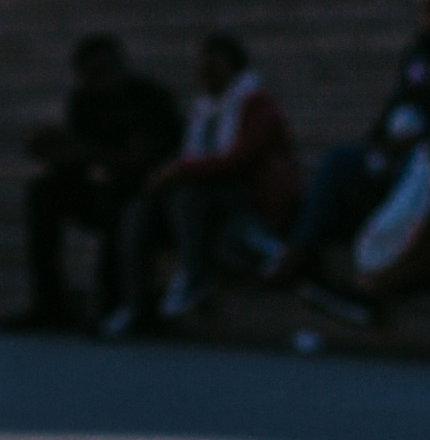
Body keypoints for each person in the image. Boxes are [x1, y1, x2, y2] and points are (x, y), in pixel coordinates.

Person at [266, 0, 430, 312]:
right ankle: (300, 252)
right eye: (425, 6)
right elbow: (398, 103)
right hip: (400, 150)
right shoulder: (420, 51)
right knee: (342, 164)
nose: (429, 16)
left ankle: (370, 285)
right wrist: (384, 140)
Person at [104, 33, 300, 336]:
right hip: (207, 199)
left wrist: (178, 171)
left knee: (185, 195)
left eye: (214, 68)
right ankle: (136, 306)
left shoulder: (256, 102)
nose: (205, 75)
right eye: (202, 68)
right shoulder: (203, 106)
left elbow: (239, 158)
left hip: (246, 197)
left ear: (233, 68)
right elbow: (193, 156)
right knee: (140, 211)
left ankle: (195, 277)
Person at [4, 34, 181, 333]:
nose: (99, 81)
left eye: (104, 72)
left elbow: (144, 159)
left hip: (150, 196)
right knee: (43, 193)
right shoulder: (85, 101)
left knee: (117, 198)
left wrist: (88, 152)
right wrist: (55, 152)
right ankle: (50, 303)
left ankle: (112, 303)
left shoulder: (149, 98)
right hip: (106, 189)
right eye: (90, 75)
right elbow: (81, 163)